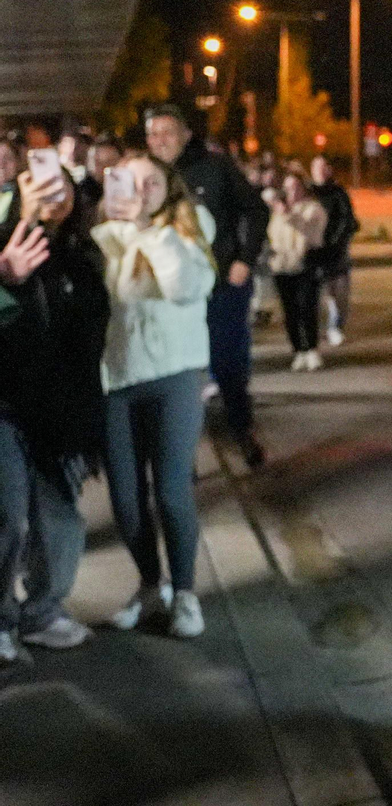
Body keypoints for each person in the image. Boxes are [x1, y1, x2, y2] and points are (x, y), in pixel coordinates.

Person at [96, 152, 216, 639]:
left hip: (176, 371)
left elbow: (183, 286)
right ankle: (151, 585)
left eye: (151, 181)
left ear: (169, 186)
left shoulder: (189, 226)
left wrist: (146, 228)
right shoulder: (104, 235)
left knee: (170, 491)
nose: (141, 190)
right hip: (119, 378)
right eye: (130, 180)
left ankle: (185, 594)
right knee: (125, 502)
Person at [0, 167, 107, 665]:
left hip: (60, 408)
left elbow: (90, 343)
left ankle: (43, 611)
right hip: (6, 404)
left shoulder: (84, 258)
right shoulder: (6, 244)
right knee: (9, 517)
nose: (50, 195)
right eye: (36, 184)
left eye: (60, 186)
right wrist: (9, 275)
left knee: (60, 516)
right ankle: (2, 618)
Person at [143, 102, 267, 468]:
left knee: (228, 364)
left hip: (221, 287)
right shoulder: (147, 175)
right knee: (179, 375)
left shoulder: (216, 167)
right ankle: (185, 456)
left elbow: (257, 211)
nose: (159, 141)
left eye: (167, 132)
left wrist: (245, 259)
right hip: (170, 295)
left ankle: (241, 430)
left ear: (185, 134)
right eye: (152, 134)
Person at [267, 168, 327, 371]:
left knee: (307, 307)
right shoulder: (277, 211)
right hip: (282, 266)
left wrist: (289, 215)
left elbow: (311, 232)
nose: (292, 193)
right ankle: (298, 349)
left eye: (296, 188)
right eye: (288, 188)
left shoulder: (313, 209)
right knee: (290, 310)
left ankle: (312, 348)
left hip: (305, 265)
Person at [307, 154, 358, 347]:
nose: (320, 171)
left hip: (336, 252)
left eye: (323, 166)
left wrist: (335, 242)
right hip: (314, 252)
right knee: (319, 293)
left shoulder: (338, 193)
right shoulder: (309, 193)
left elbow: (347, 220)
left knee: (339, 294)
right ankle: (320, 329)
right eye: (316, 167)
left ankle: (335, 327)